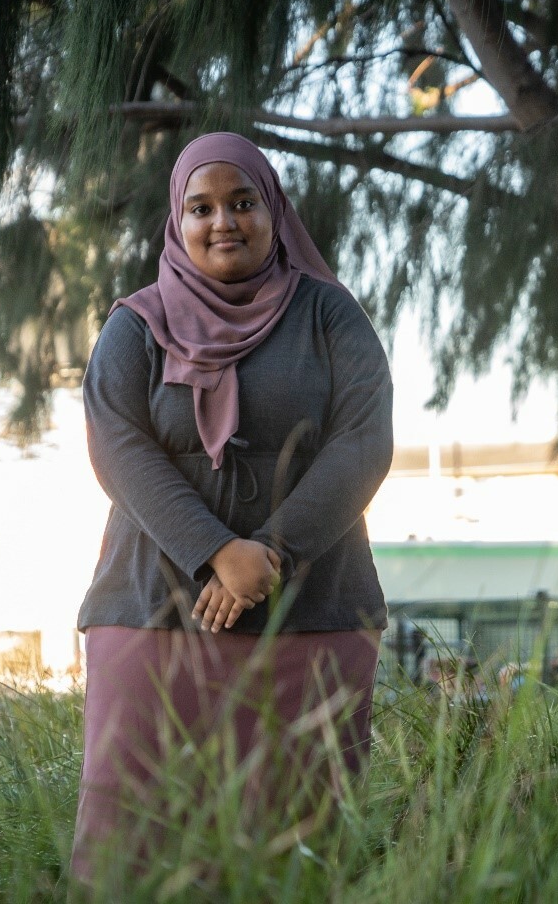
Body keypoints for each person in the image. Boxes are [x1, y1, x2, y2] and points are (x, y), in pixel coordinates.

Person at [69, 132, 393, 886]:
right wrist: (218, 550)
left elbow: (363, 440)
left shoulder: (329, 316)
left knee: (304, 841)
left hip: (312, 610)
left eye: (242, 202)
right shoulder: (135, 324)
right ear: (175, 223)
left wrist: (270, 551)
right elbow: (118, 446)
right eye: (201, 207)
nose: (224, 222)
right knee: (136, 841)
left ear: (272, 211)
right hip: (150, 609)